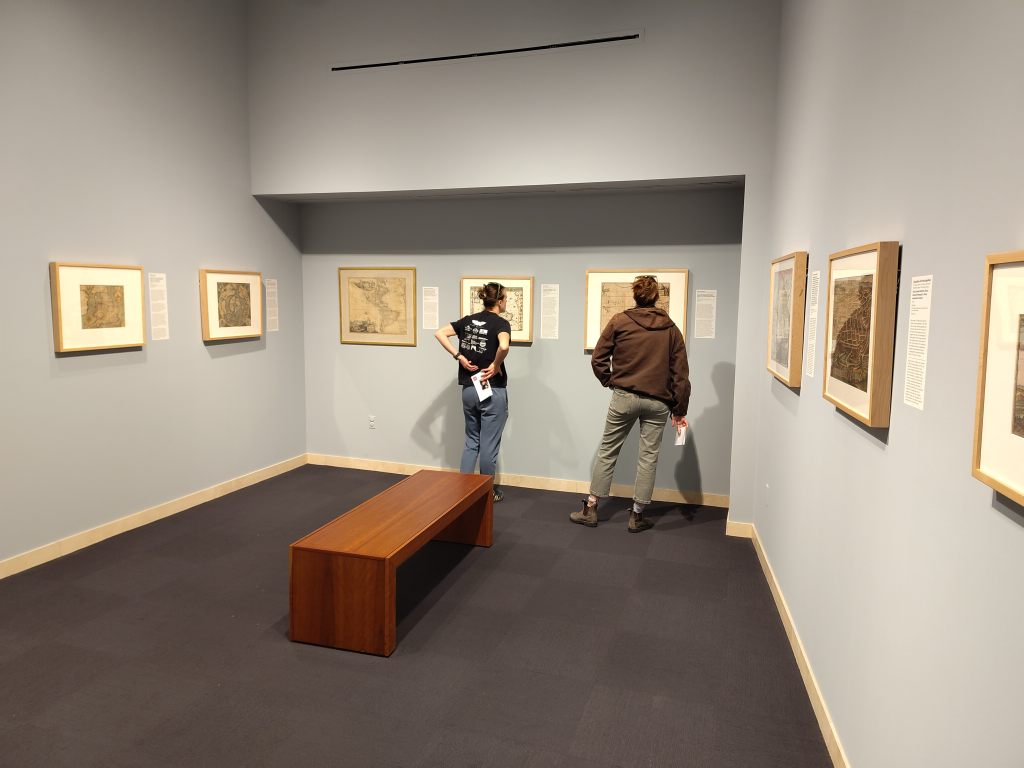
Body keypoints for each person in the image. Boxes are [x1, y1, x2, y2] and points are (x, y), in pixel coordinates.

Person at [571, 275, 691, 532]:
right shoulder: (671, 329)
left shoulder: (620, 321)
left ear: (635, 296)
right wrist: (679, 410)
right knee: (648, 458)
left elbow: (598, 358)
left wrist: (611, 382)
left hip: (624, 397)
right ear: (657, 297)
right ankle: (637, 516)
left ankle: (590, 509)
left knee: (607, 451)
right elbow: (680, 374)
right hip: (659, 402)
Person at [435, 283, 511, 502]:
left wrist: (458, 356)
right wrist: (496, 364)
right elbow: (504, 346)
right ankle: (486, 493)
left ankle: (465, 492)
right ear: (499, 301)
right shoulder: (501, 323)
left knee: (471, 441)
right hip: (491, 389)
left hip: (469, 389)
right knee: (489, 444)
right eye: (505, 298)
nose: (505, 302)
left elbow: (440, 333)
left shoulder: (467, 321)